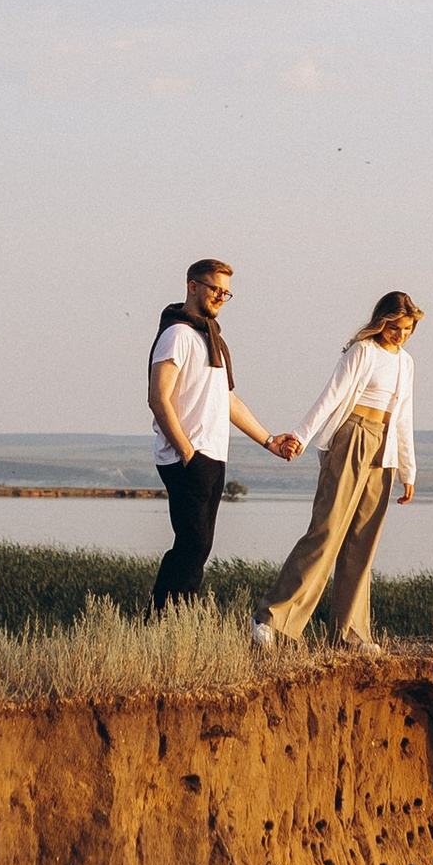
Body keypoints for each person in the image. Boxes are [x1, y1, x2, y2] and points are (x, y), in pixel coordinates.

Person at [254, 291, 422, 650]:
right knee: (327, 531)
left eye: (408, 329)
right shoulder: (362, 351)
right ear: (381, 321)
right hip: (351, 437)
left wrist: (408, 471)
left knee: (363, 541)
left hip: (384, 448)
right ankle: (272, 619)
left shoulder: (406, 363)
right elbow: (330, 396)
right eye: (396, 327)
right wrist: (300, 436)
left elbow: (404, 418)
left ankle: (350, 634)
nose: (401, 334)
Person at [147, 258, 294, 611]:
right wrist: (187, 452)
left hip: (212, 456)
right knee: (193, 544)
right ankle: (163, 620)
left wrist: (269, 441)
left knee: (197, 546)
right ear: (193, 286)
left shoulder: (210, 338)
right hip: (188, 456)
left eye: (226, 293)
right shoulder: (178, 334)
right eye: (215, 289)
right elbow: (158, 398)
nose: (220, 297)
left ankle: (169, 620)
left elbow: (227, 400)